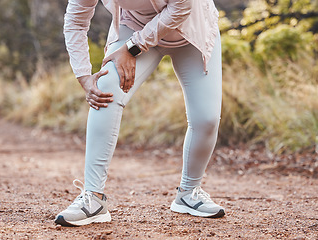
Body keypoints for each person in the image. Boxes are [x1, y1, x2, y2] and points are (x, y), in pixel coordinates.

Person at [55, 0, 225, 227]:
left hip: (190, 29)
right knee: (105, 89)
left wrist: (132, 48)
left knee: (207, 119)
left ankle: (189, 192)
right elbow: (76, 22)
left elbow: (181, 9)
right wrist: (84, 77)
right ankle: (93, 198)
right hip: (133, 26)